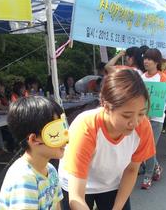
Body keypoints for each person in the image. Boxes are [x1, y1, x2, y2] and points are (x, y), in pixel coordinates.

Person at [59, 69, 155, 210]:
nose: (134, 122)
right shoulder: (86, 127)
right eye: (127, 116)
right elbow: (76, 198)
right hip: (77, 183)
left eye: (141, 113)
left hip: (112, 182)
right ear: (106, 106)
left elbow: (132, 169)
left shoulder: (143, 126)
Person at [0, 96, 67, 209]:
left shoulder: (50, 170)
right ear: (33, 139)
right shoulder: (24, 179)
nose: (66, 139)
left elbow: (57, 206)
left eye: (64, 127)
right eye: (55, 133)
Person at [140, 48, 166, 190]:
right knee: (142, 146)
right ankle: (157, 167)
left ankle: (148, 175)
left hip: (156, 119)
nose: (146, 61)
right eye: (145, 58)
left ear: (156, 62)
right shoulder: (141, 77)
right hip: (141, 118)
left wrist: (152, 112)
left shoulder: (162, 77)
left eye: (149, 59)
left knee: (149, 148)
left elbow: (163, 99)